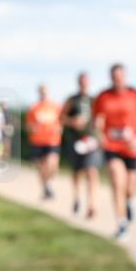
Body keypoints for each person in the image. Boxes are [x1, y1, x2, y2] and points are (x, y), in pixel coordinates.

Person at [93, 63, 136, 240]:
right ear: (110, 78)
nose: (117, 80)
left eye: (120, 76)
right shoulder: (103, 96)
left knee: (130, 188)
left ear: (125, 77)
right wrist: (100, 135)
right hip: (112, 146)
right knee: (117, 180)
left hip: (133, 147)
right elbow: (97, 119)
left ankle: (129, 201)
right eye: (114, 77)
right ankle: (121, 224)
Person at [61, 72, 101, 219]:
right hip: (75, 141)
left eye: (86, 81)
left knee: (91, 171)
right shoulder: (72, 100)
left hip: (91, 140)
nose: (84, 83)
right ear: (78, 82)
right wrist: (73, 122)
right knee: (77, 172)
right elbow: (61, 117)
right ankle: (77, 198)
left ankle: (92, 204)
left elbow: (101, 118)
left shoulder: (94, 100)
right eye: (82, 81)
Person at [26, 84, 62, 199]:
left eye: (45, 92)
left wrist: (60, 128)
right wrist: (32, 128)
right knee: (42, 167)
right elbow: (28, 125)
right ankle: (45, 188)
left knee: (52, 164)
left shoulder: (55, 106)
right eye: (41, 92)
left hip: (52, 140)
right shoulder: (34, 108)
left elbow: (62, 121)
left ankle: (49, 183)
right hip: (38, 141)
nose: (43, 94)